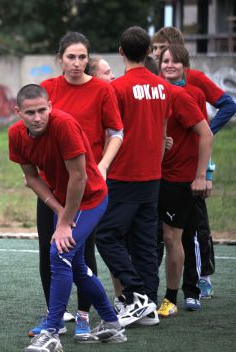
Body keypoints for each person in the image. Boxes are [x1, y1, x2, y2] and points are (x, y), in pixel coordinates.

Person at [9, 84, 126, 352]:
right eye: (30, 113)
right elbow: (32, 178)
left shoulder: (64, 125)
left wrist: (64, 221)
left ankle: (51, 332)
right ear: (18, 113)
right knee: (75, 265)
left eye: (42, 110)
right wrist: (57, 208)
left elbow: (80, 177)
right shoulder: (15, 135)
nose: (37, 117)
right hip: (64, 200)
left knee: (59, 253)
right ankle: (111, 322)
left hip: (91, 197)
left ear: (50, 106)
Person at [31, 32, 123, 340]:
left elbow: (116, 133)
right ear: (60, 59)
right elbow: (36, 131)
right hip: (53, 185)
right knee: (50, 249)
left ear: (88, 58)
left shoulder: (101, 89)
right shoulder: (47, 89)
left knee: (81, 253)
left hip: (86, 188)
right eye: (71, 57)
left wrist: (103, 166)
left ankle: (84, 315)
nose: (77, 62)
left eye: (82, 57)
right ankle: (53, 316)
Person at [151, 26, 236, 300]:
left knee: (195, 228)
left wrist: (206, 170)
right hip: (161, 172)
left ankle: (200, 279)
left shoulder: (195, 81)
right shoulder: (155, 85)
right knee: (162, 232)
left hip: (190, 169)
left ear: (180, 55)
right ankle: (156, 289)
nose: (159, 57)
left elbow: (224, 110)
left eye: (162, 51)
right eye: (156, 53)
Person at [95, 26, 172, 327]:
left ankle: (136, 293)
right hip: (152, 174)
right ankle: (149, 305)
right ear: (150, 52)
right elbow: (164, 132)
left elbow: (112, 132)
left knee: (106, 235)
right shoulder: (163, 87)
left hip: (124, 174)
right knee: (143, 241)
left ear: (121, 52)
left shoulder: (117, 88)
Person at [157, 44, 213, 316]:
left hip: (181, 177)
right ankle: (144, 295)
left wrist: (204, 176)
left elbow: (206, 134)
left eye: (175, 62)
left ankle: (181, 295)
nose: (169, 65)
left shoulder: (190, 94)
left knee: (178, 236)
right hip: (154, 175)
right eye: (165, 60)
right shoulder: (155, 92)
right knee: (156, 237)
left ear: (185, 66)